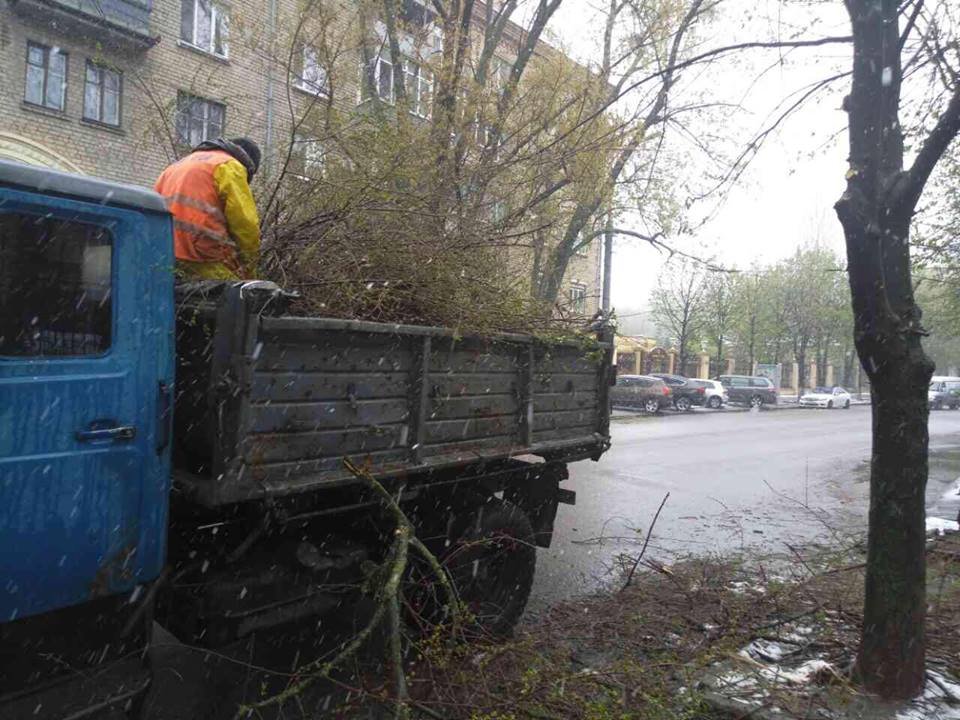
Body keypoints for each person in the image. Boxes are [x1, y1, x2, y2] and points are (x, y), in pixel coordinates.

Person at [154, 137, 262, 280]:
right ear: (248, 164)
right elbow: (245, 225)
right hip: (203, 255)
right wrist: (250, 269)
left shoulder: (173, 168)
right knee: (236, 296)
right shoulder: (229, 166)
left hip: (163, 254)